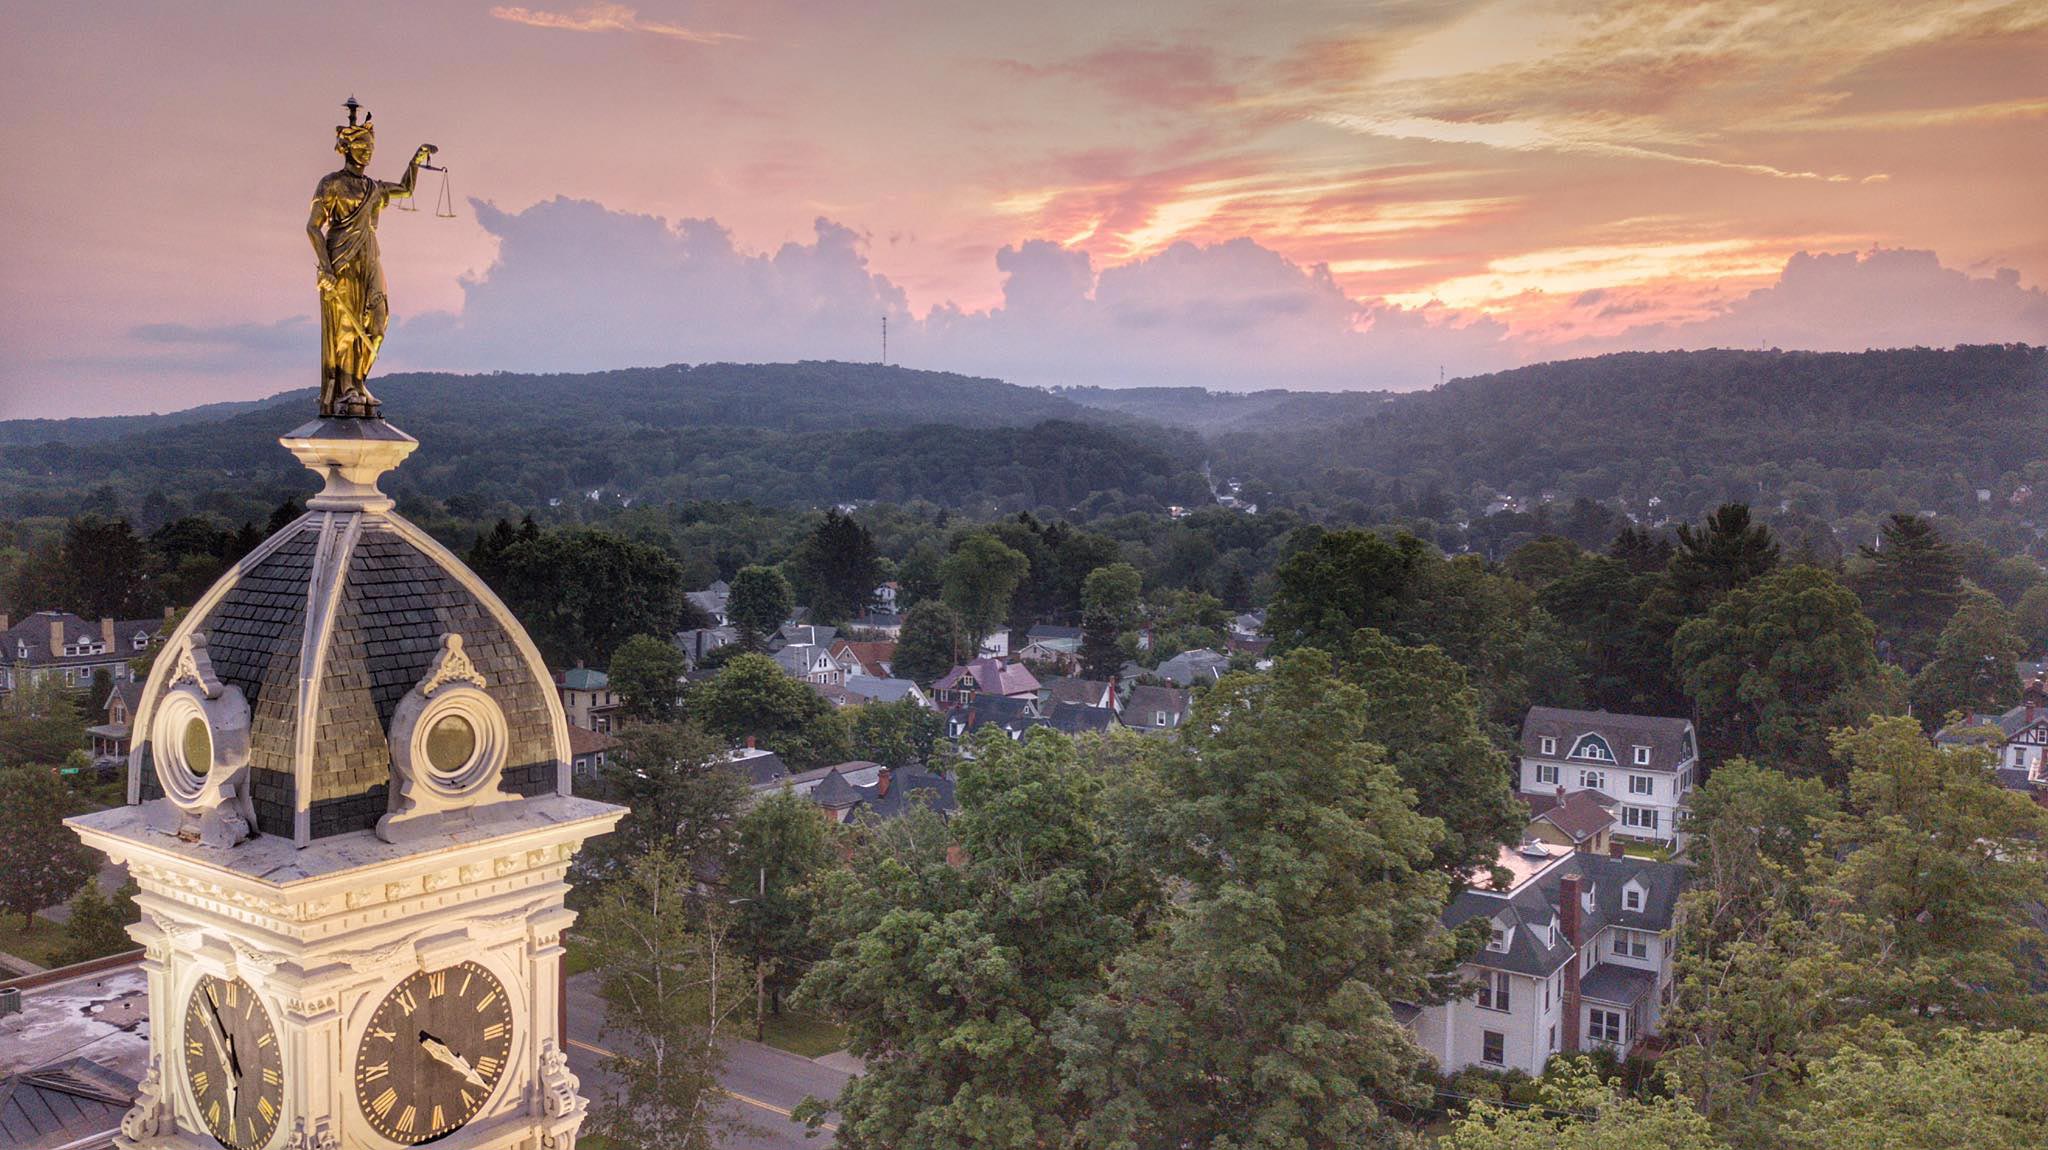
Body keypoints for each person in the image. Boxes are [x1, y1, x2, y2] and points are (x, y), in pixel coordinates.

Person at [306, 110, 434, 418]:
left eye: (371, 148)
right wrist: (325, 267)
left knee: (378, 321)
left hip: (370, 255)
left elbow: (405, 189)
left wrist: (415, 161)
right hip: (342, 258)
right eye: (362, 146)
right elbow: (313, 226)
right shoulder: (331, 184)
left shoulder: (374, 188)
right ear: (347, 148)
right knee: (347, 327)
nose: (367, 152)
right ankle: (347, 388)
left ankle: (360, 380)